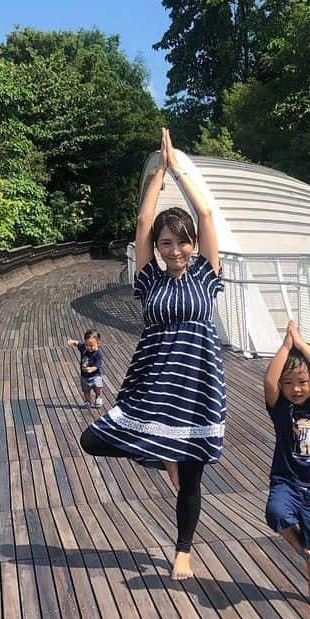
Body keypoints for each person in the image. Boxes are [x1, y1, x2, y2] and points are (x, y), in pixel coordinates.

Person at [80, 126, 225, 580]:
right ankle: (159, 449)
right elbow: (143, 224)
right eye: (166, 244)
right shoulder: (150, 282)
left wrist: (178, 169)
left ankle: (183, 548)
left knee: (193, 471)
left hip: (198, 379)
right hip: (156, 377)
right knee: (92, 440)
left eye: (181, 242)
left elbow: (205, 213)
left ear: (192, 246)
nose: (174, 249)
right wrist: (155, 179)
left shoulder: (206, 274)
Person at [263, 319, 310, 611]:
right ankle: (298, 546)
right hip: (287, 479)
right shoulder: (281, 408)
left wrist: (302, 344)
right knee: (275, 512)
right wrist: (285, 346)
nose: (296, 389)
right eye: (289, 383)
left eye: (303, 382)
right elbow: (269, 381)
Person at [67, 328, 104, 408]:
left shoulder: (98, 353)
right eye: (87, 345)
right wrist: (73, 342)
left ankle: (98, 397)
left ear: (98, 343)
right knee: (86, 390)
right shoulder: (84, 348)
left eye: (92, 346)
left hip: (95, 375)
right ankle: (88, 401)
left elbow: (98, 365)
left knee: (98, 386)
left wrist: (91, 369)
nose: (89, 347)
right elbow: (78, 344)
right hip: (84, 376)